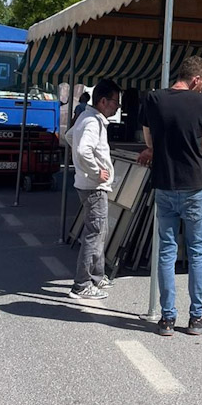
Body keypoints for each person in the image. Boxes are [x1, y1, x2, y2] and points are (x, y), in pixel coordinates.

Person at [139, 57, 202, 338]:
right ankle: (197, 317)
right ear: (196, 80)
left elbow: (147, 134)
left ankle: (167, 319)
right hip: (194, 184)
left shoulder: (154, 99)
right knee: (196, 252)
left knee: (167, 252)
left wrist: (154, 149)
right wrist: (195, 153)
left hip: (165, 184)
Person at [64, 78, 120, 301]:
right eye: (115, 102)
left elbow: (69, 137)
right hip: (94, 186)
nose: (117, 106)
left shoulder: (87, 118)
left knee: (99, 231)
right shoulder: (92, 122)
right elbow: (82, 149)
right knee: (94, 234)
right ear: (103, 101)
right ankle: (82, 284)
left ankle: (97, 276)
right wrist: (96, 171)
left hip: (89, 184)